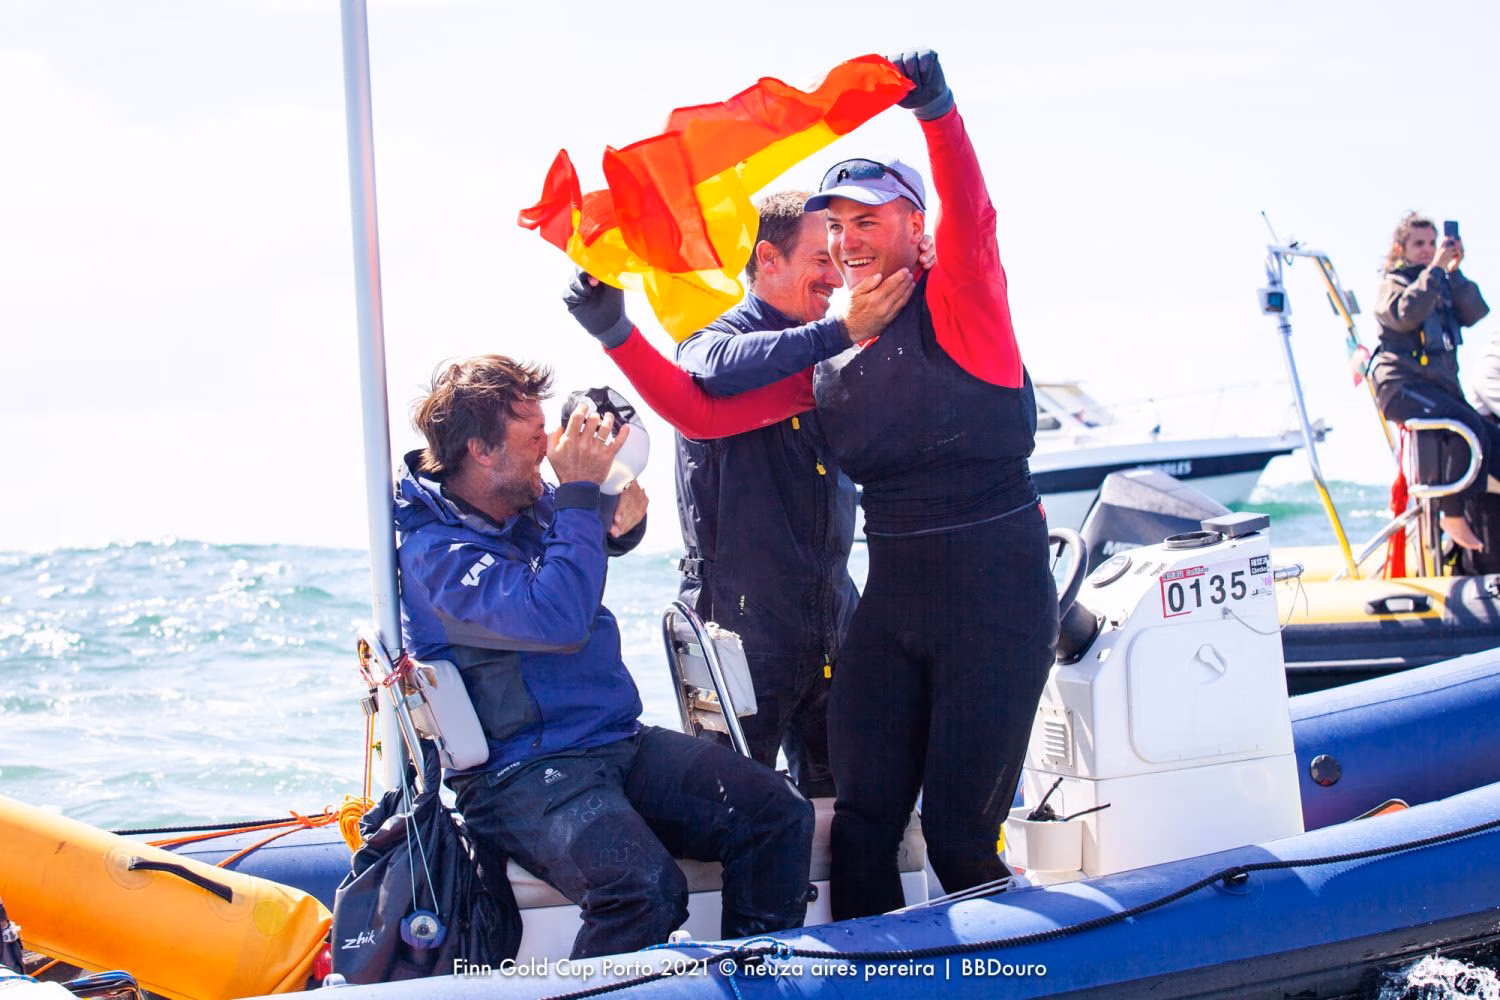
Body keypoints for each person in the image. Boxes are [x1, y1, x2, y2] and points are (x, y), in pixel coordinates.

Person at [565, 50, 1058, 921]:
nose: (848, 239)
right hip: (892, 608)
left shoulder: (963, 305)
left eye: (869, 219)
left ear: (917, 229)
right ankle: (873, 982)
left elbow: (976, 218)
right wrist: (616, 333)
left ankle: (1016, 971)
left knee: (954, 837)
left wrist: (938, 113)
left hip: (996, 597)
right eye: (835, 225)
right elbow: (703, 410)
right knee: (861, 828)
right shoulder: (833, 351)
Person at [393, 355, 815, 958]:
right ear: (483, 451)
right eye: (535, 437)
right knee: (642, 890)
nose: (549, 450)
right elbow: (557, 618)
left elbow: (587, 544)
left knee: (777, 813)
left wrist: (616, 520)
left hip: (613, 740)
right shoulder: (438, 557)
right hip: (519, 771)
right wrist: (582, 493)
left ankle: (757, 982)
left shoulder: (521, 503)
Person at [669, 190, 923, 796]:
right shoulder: (711, 343)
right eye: (820, 257)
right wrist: (839, 332)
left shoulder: (838, 346)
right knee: (741, 815)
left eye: (839, 256)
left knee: (860, 801)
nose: (837, 275)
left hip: (833, 617)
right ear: (769, 258)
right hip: (736, 627)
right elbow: (709, 371)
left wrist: (919, 277)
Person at [1371, 212, 1493, 551]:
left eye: (1432, 243)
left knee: (1490, 437)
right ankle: (1450, 516)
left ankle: (1476, 530)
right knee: (1463, 426)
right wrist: (1436, 269)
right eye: (1419, 244)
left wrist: (1453, 270)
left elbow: (1475, 312)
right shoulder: (1393, 284)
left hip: (1438, 389)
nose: (1427, 250)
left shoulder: (1442, 281)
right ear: (1401, 248)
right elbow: (1406, 315)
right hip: (1401, 387)